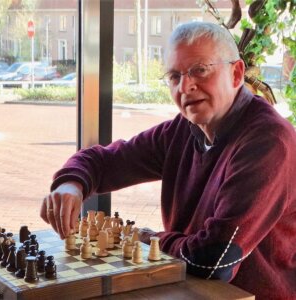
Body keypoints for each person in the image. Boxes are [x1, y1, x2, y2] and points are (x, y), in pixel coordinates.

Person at [40, 21, 296, 300]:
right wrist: (71, 183)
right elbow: (107, 161)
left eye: (200, 70)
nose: (185, 86)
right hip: (191, 289)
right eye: (174, 76)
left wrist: (148, 239)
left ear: (236, 74)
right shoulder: (184, 129)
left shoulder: (268, 142)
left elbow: (214, 259)